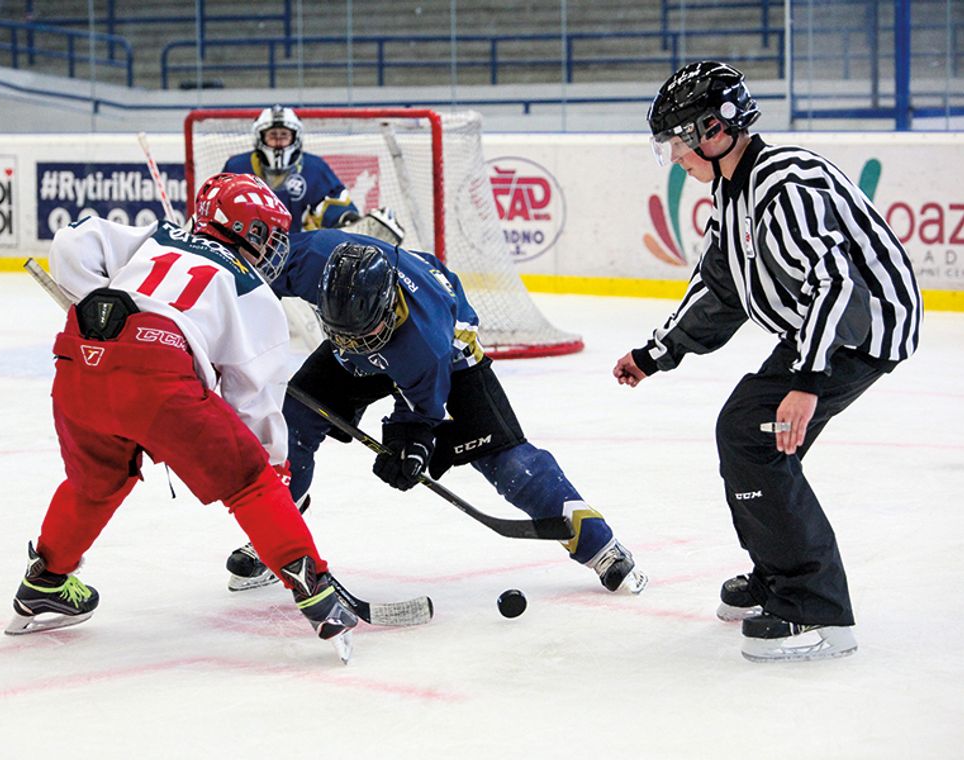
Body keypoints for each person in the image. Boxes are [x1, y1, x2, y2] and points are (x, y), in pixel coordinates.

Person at [613, 61, 922, 662]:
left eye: (679, 141)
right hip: (824, 327)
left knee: (753, 433)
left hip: (859, 328)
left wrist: (806, 383)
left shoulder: (783, 184)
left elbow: (835, 284)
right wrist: (657, 353)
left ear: (715, 129)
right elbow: (721, 289)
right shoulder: (733, 191)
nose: (675, 156)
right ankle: (781, 576)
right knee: (759, 437)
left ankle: (817, 611)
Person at [5, 172, 359, 663]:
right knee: (251, 482)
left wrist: (100, 302)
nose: (274, 246)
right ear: (249, 232)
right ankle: (317, 592)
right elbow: (253, 398)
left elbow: (72, 240)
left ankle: (43, 582)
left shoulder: (157, 235)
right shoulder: (252, 289)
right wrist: (272, 466)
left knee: (95, 483)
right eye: (269, 234)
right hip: (158, 378)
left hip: (79, 356)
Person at [225, 227, 648, 597]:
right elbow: (244, 276)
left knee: (502, 456)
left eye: (365, 334)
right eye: (342, 333)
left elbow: (420, 414)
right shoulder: (317, 258)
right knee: (293, 419)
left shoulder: (425, 346)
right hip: (371, 329)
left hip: (449, 352)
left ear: (389, 308)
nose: (357, 345)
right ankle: (279, 534)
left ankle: (598, 544)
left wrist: (409, 448)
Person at [222, 105, 360, 233]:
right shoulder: (237, 168)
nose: (278, 142)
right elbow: (221, 208)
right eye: (272, 135)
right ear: (260, 138)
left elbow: (337, 207)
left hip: (298, 250)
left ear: (295, 138)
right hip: (247, 250)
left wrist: (344, 219)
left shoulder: (315, 168)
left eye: (284, 135)